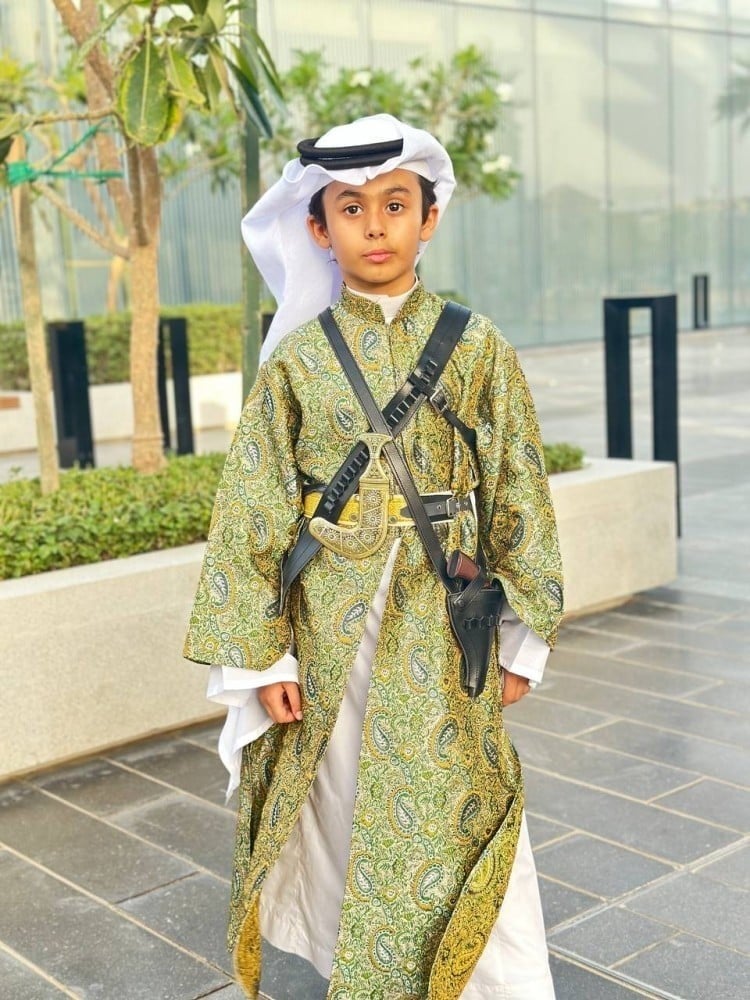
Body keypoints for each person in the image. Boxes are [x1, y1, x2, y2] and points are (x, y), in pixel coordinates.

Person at [183, 114, 564, 1000]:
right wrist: (263, 657)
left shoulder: (478, 345)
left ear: (430, 217)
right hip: (331, 633)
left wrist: (523, 635)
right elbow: (252, 508)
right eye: (351, 209)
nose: (376, 226)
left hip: (448, 627)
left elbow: (519, 485)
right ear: (319, 229)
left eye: (396, 204)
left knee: (461, 801)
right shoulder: (296, 362)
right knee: (345, 800)